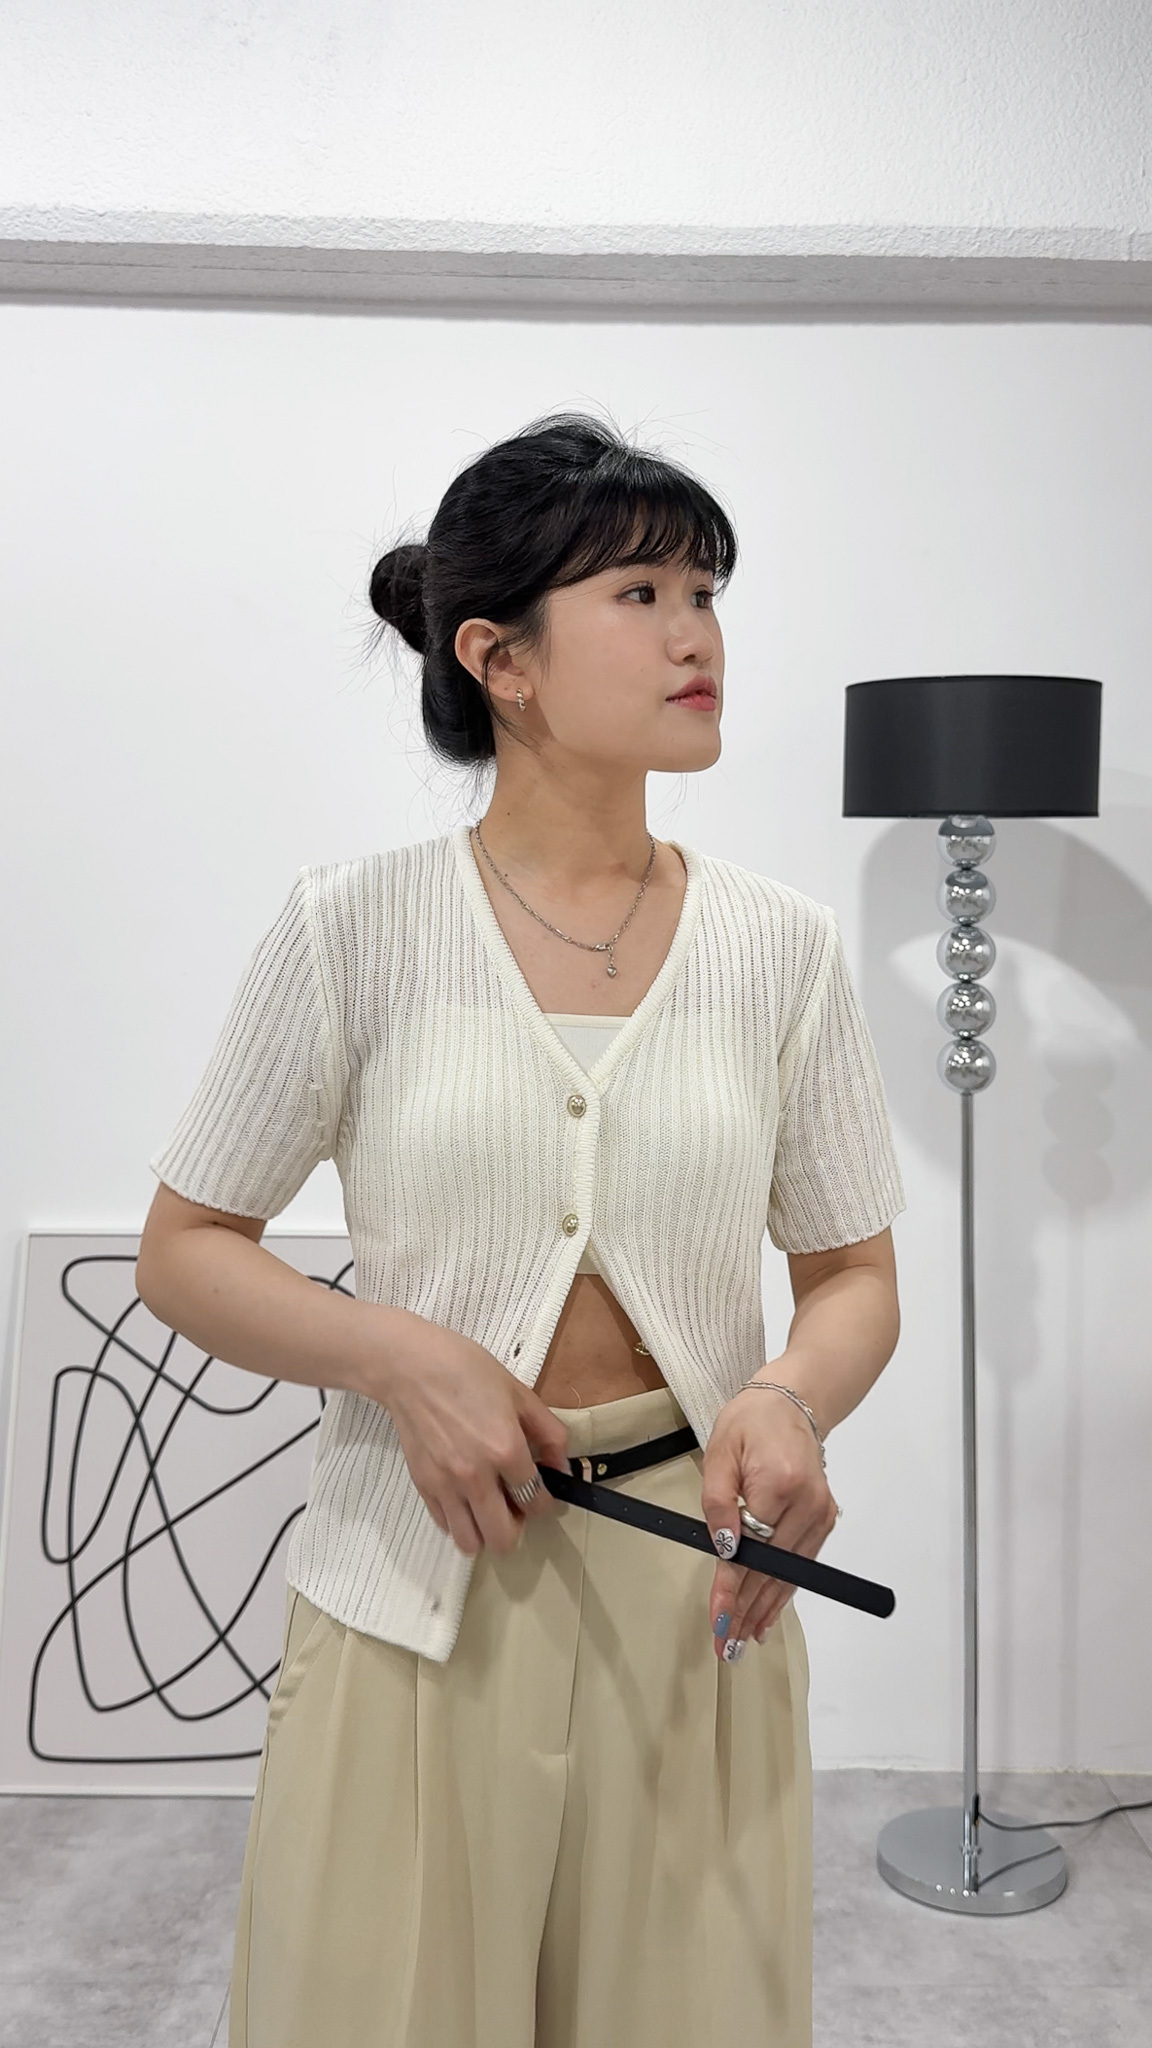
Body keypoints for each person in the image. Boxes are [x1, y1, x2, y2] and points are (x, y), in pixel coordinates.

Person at [135, 410, 905, 2048]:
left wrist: (787, 1398)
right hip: (416, 1581)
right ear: (500, 659)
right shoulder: (353, 928)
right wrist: (399, 1357)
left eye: (706, 592)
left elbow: (852, 1274)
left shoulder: (780, 948)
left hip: (698, 1596)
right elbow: (186, 1246)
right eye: (642, 594)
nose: (697, 635)